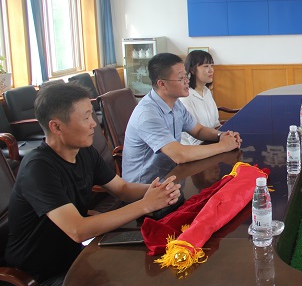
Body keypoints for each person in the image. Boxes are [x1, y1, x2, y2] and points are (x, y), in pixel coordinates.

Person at [5, 82, 182, 285]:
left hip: (75, 257)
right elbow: (77, 229)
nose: (93, 124)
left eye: (91, 115)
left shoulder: (84, 152)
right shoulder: (38, 168)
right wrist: (146, 204)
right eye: (86, 117)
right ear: (56, 126)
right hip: (40, 275)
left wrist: (159, 191)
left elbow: (122, 188)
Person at [123, 53, 241, 184]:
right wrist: (223, 146)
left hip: (172, 177)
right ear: (162, 84)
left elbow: (198, 130)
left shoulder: (176, 103)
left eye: (186, 76)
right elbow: (179, 154)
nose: (187, 81)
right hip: (145, 188)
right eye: (181, 78)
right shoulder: (147, 115)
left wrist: (222, 135)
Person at [180, 50, 225, 145]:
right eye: (206, 66)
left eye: (212, 65)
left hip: (212, 142)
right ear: (192, 70)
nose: (211, 70)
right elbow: (194, 140)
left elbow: (216, 125)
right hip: (196, 148)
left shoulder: (206, 91)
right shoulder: (186, 98)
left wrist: (226, 135)